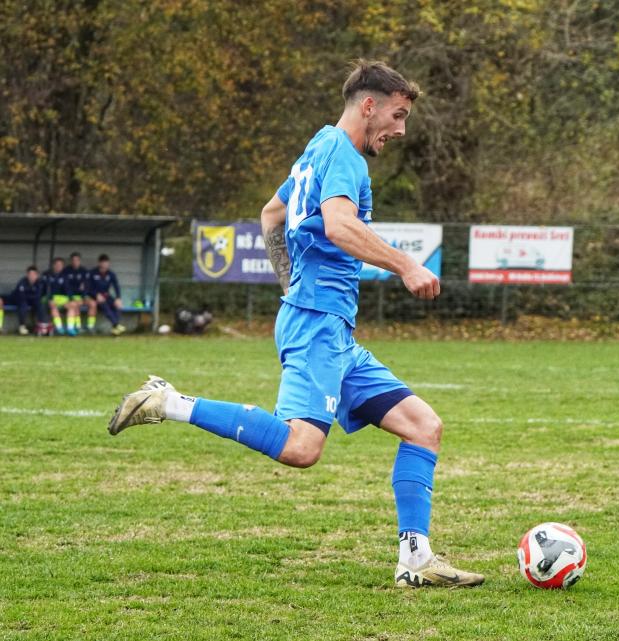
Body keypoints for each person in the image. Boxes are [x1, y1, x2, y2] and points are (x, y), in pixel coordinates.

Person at [107, 60, 483, 589]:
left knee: (424, 427)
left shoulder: (317, 148)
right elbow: (340, 226)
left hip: (329, 327)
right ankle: (168, 402)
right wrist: (406, 265)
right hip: (317, 326)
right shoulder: (345, 156)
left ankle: (415, 560)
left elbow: (271, 213)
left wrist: (290, 283)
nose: (401, 129)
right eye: (398, 115)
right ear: (369, 106)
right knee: (301, 448)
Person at [87, 254, 126, 335]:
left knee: (117, 305)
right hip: (94, 297)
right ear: (99, 263)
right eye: (103, 263)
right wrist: (96, 295)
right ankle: (116, 325)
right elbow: (88, 288)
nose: (105, 265)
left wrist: (118, 298)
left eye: (107, 263)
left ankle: (115, 328)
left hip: (106, 295)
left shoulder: (111, 274)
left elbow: (116, 286)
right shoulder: (92, 273)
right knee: (104, 304)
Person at [10, 266, 50, 335]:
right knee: (23, 306)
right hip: (22, 300)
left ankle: (42, 325)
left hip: (34, 300)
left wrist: (33, 298)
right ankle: (22, 326)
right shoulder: (22, 282)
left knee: (40, 305)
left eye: (34, 274)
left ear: (37, 275)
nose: (32, 276)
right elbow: (21, 295)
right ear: (27, 275)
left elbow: (39, 295)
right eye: (30, 274)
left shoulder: (40, 283)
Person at [43, 257, 78, 336]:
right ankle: (59, 328)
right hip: (50, 299)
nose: (59, 267)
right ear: (53, 265)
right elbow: (45, 290)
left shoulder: (65, 276)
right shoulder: (47, 275)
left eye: (61, 265)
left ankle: (70, 328)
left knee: (72, 306)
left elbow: (68, 289)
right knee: (53, 307)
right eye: (57, 265)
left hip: (63, 300)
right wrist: (50, 299)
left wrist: (71, 299)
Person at [63, 252, 89, 334]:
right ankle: (75, 327)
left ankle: (76, 327)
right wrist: (71, 298)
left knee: (76, 305)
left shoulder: (84, 271)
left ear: (79, 261)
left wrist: (83, 296)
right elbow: (66, 286)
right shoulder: (66, 270)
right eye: (73, 260)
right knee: (74, 305)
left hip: (80, 296)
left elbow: (85, 285)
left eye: (77, 260)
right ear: (71, 261)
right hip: (69, 296)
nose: (75, 262)